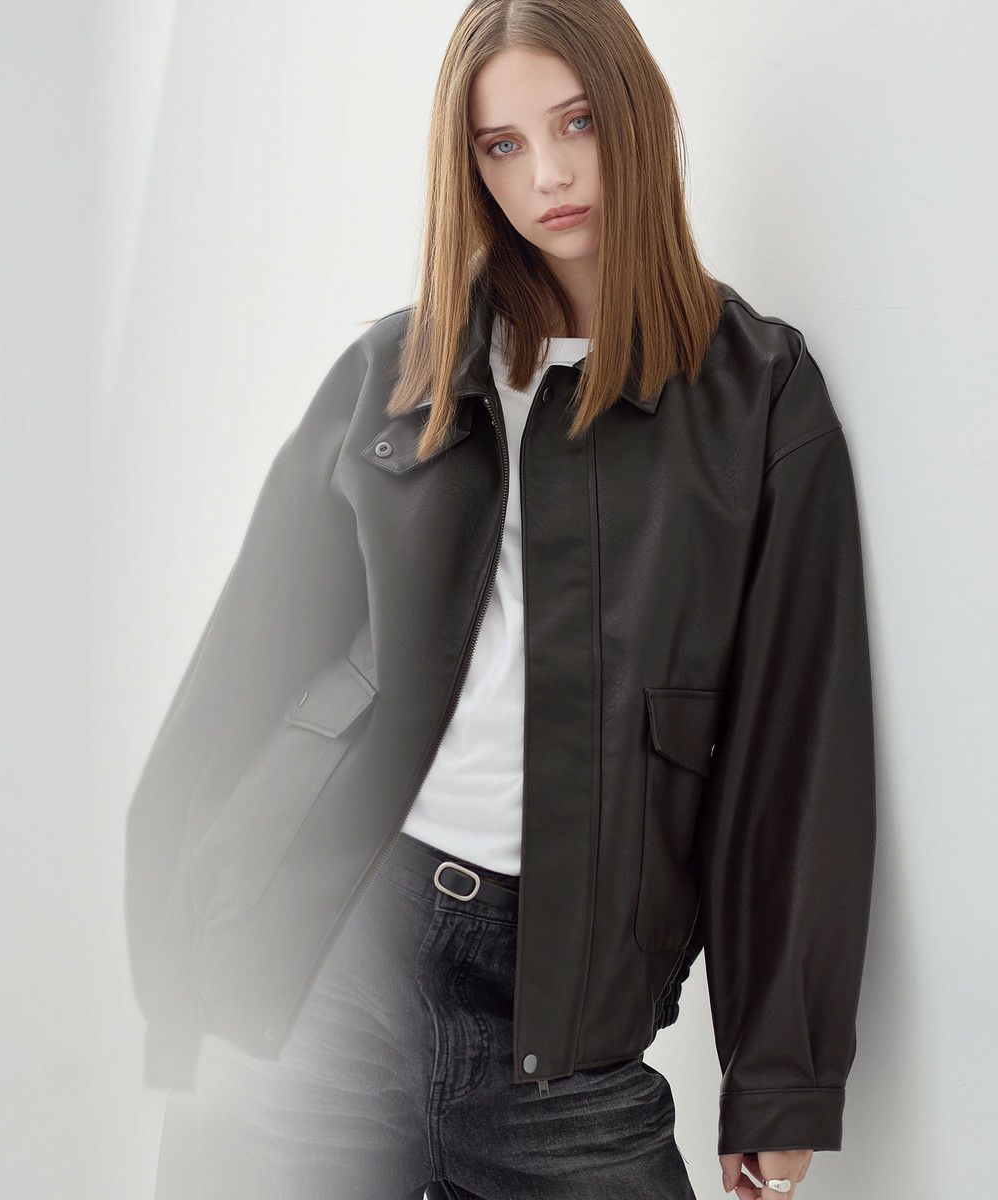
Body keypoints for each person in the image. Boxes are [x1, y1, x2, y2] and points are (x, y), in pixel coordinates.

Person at [125, 3, 876, 1198]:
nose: (549, 175)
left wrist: (777, 1079)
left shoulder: (757, 395)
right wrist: (177, 974)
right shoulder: (398, 369)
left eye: (576, 123)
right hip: (327, 958)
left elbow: (796, 755)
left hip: (565, 1025)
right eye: (502, 145)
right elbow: (244, 674)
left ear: (635, 113)